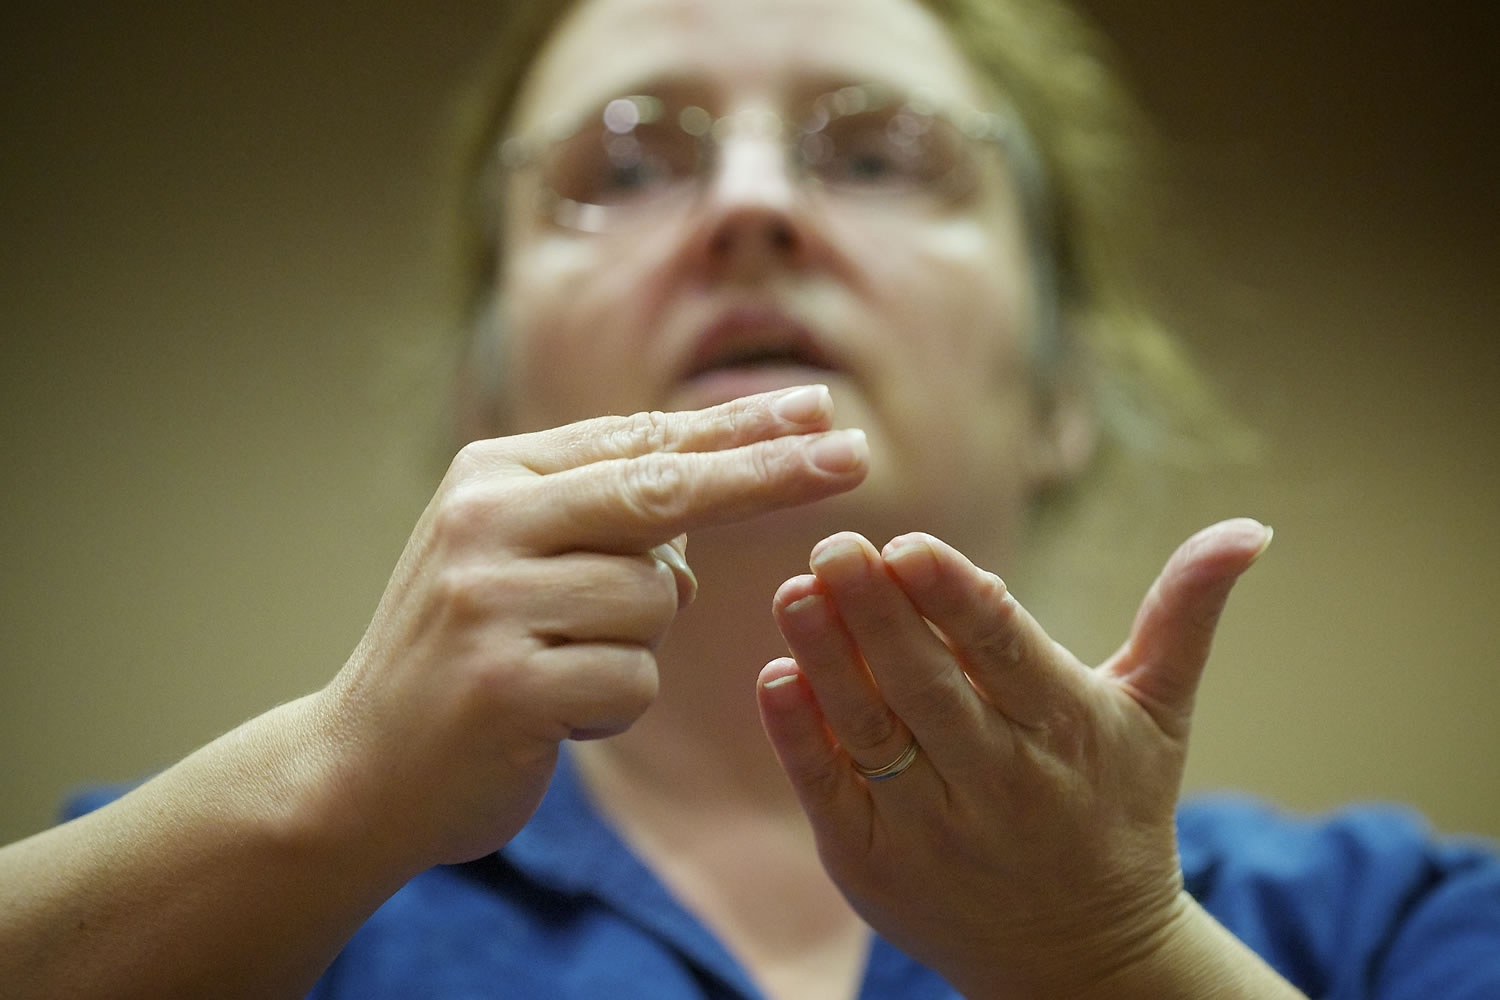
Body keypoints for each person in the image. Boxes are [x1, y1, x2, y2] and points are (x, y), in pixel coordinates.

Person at [2, 0, 1497, 996]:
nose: (750, 210)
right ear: (493, 397)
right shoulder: (219, 896)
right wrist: (320, 784)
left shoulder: (1387, 921)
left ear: (1062, 395)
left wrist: (1115, 958)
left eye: (874, 154)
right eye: (632, 160)